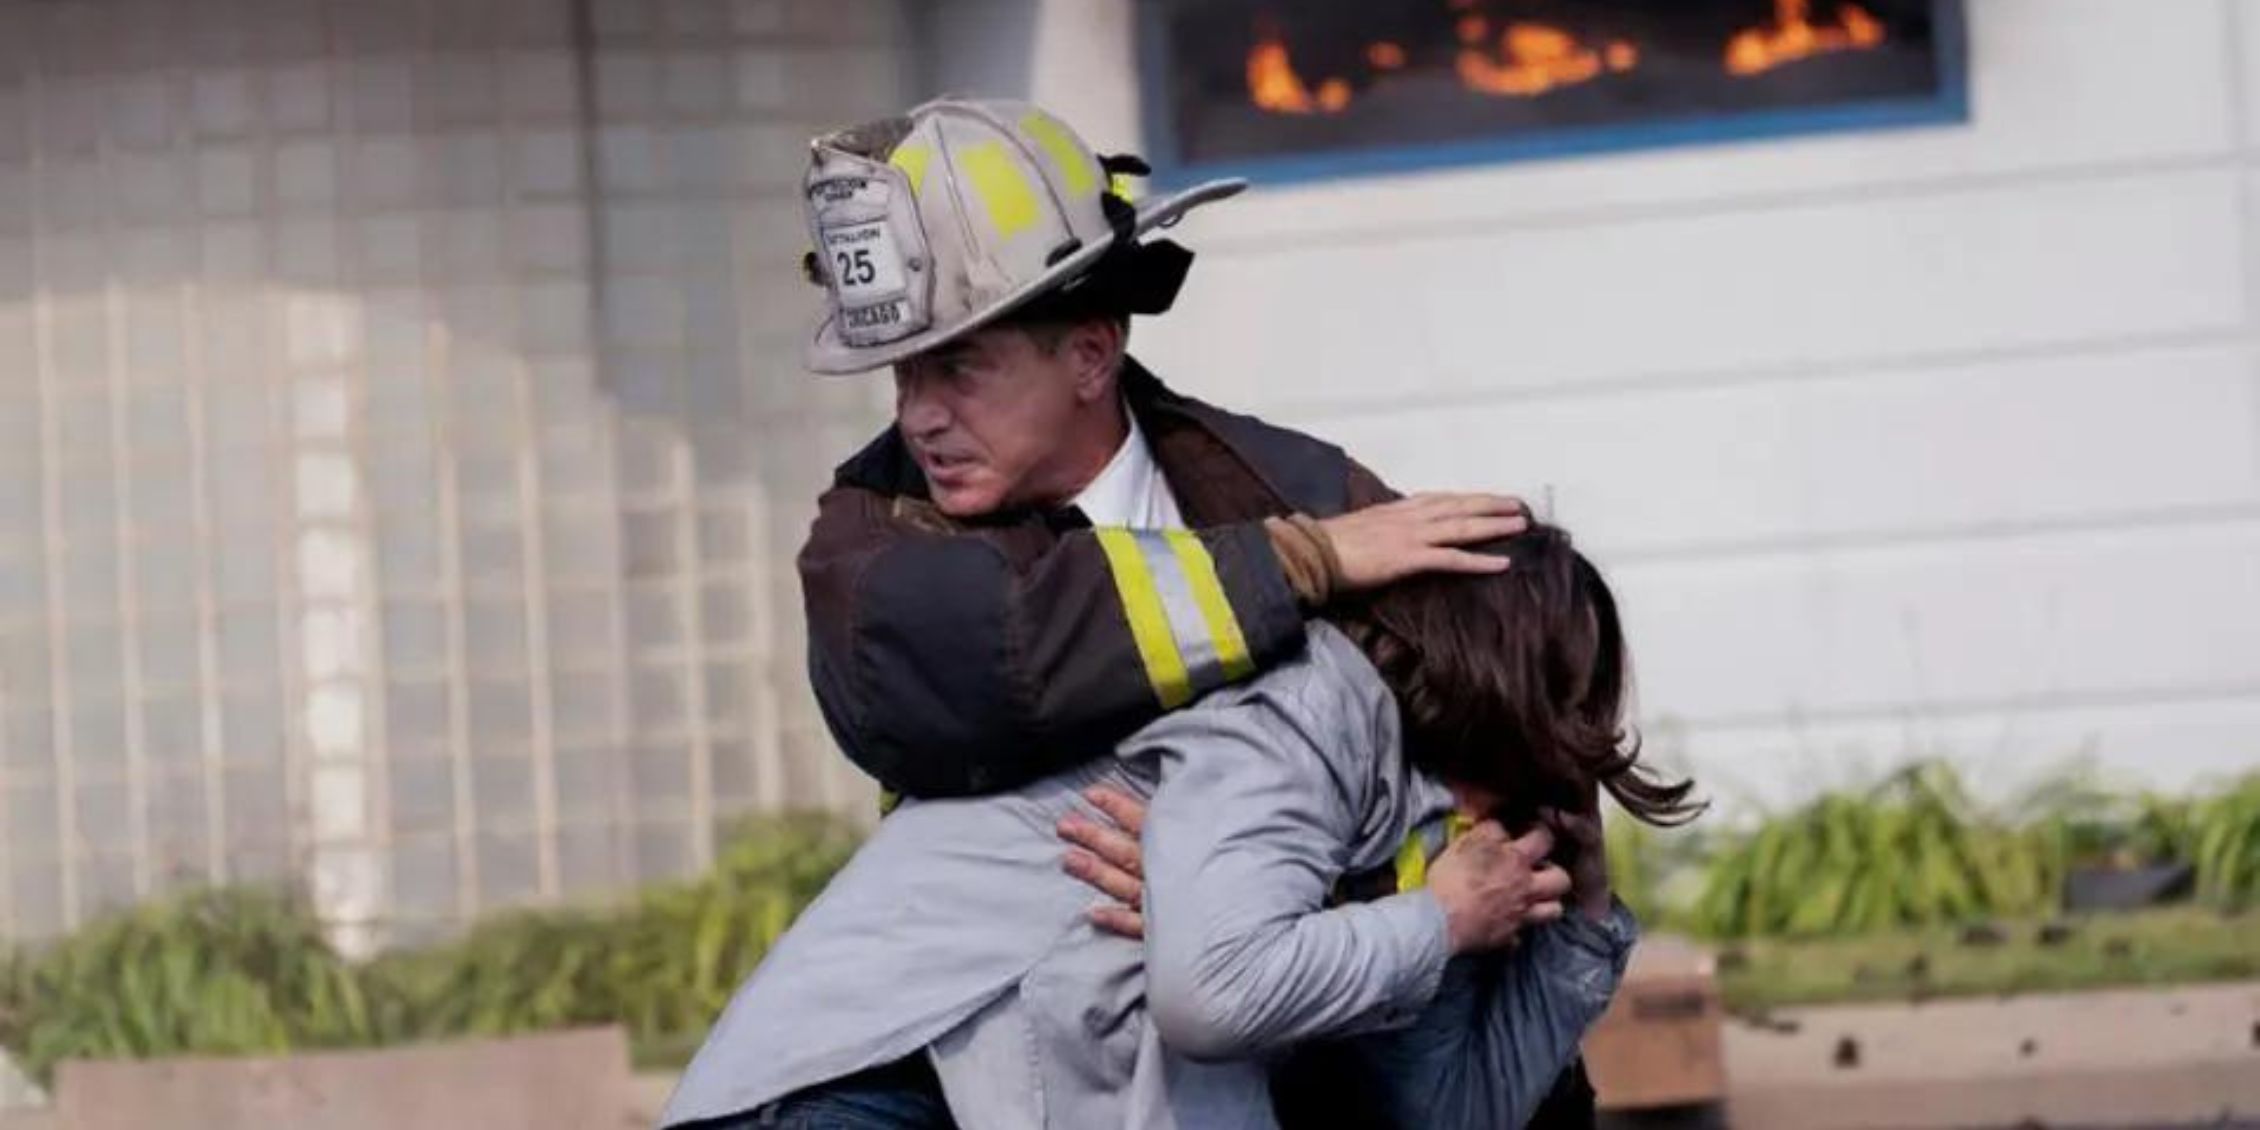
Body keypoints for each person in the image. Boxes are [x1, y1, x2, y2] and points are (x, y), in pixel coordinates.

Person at [660, 97, 1603, 1129]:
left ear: (1090, 352)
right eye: (903, 370)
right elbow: (1003, 647)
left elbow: (1485, 776)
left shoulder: (1292, 486)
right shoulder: (880, 545)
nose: (918, 411)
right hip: (916, 1060)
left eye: (959, 364)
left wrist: (1260, 904)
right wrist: (1301, 563)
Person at [663, 520, 1691, 1130]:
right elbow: (1212, 994)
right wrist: (1437, 924)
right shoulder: (1304, 712)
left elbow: (1444, 1113)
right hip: (854, 1089)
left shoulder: (1408, 843)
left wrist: (1578, 920)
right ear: (1511, 686)